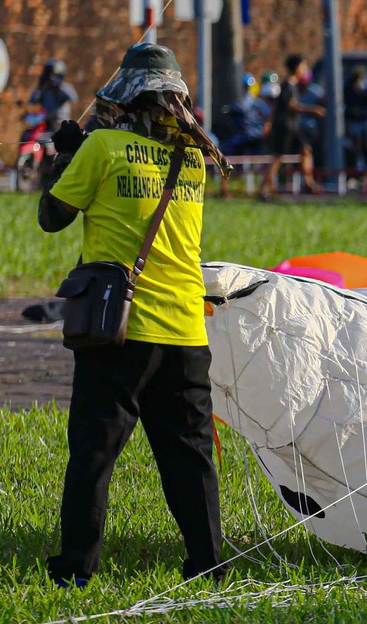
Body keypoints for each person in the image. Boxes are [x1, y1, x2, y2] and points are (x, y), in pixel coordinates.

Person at [36, 42, 230, 587]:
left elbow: (52, 216)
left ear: (126, 97)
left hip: (118, 329)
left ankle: (76, 568)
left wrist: (67, 155)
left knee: (94, 456)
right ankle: (209, 564)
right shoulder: (192, 159)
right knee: (190, 459)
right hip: (187, 331)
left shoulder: (102, 149)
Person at [266, 55, 321, 192]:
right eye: (303, 66)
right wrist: (312, 110)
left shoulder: (293, 85)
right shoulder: (288, 85)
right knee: (278, 158)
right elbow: (291, 105)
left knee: (306, 150)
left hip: (294, 126)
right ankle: (264, 187)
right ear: (296, 67)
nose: (305, 69)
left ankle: (308, 182)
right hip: (286, 126)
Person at [28, 59, 78, 131]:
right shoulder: (45, 89)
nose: (51, 78)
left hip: (61, 126)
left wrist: (59, 85)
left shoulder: (64, 88)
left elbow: (74, 98)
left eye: (53, 75)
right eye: (49, 74)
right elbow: (33, 100)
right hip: (47, 126)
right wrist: (40, 86)